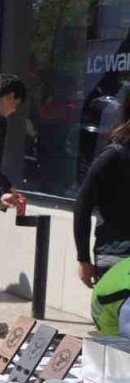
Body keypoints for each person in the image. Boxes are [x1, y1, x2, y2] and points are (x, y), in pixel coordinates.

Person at [76, 100, 130, 288]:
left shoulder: (113, 155)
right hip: (117, 256)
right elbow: (82, 206)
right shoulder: (114, 155)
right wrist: (84, 259)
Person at [0, 74, 27, 211]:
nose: (14, 110)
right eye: (17, 105)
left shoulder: (0, 122)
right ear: (11, 97)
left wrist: (7, 188)